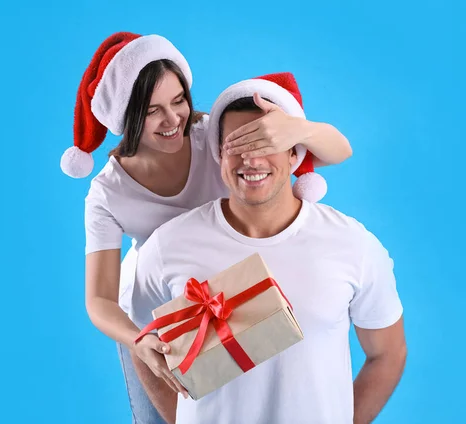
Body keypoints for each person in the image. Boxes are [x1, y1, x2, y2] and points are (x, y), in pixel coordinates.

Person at [60, 32, 353, 424]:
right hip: (161, 327)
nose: (173, 120)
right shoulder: (107, 193)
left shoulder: (210, 137)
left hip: (237, 297)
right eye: (152, 110)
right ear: (125, 116)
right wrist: (139, 340)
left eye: (178, 100)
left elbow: (340, 150)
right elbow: (99, 301)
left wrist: (298, 131)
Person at [129, 73, 407, 424]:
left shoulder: (351, 244)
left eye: (264, 144)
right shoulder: (169, 245)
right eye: (236, 145)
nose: (251, 160)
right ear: (218, 155)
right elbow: (139, 342)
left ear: (294, 153)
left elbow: (388, 352)